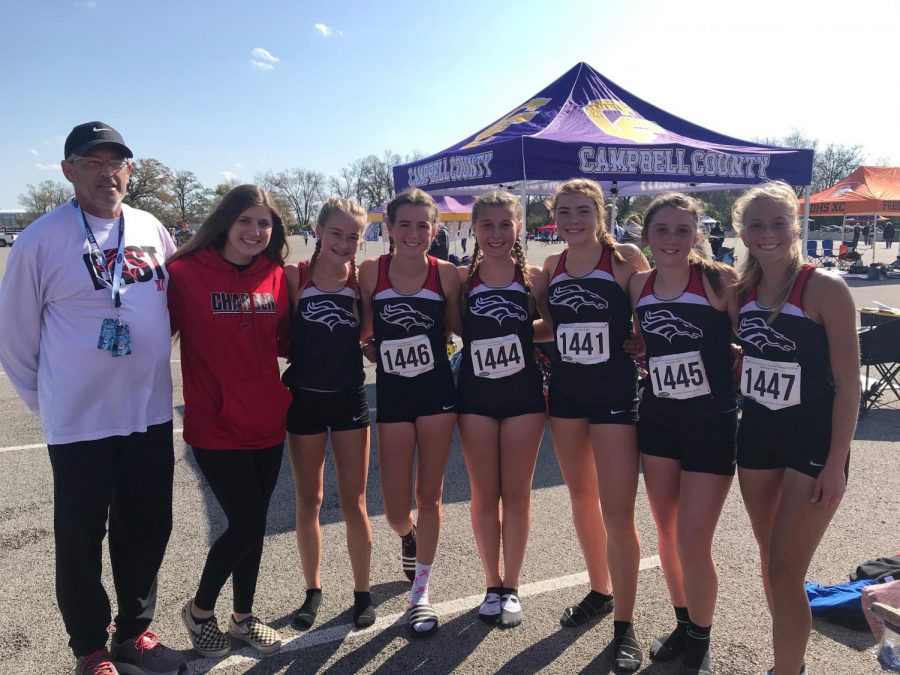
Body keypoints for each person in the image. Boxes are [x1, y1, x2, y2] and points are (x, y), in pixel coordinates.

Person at [0, 122, 186, 675]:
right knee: (81, 536)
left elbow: (172, 306)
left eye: (118, 163)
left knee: (149, 524)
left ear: (130, 170)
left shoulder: (151, 228)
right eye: (94, 162)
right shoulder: (41, 238)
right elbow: (14, 338)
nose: (109, 173)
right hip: (78, 422)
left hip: (148, 412)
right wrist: (51, 402)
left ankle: (135, 633)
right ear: (68, 170)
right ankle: (90, 648)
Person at [733, 181, 860, 675]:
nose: (768, 233)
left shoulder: (826, 287)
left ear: (795, 226)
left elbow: (848, 386)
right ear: (743, 233)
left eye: (778, 222)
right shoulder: (740, 291)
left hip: (813, 444)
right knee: (774, 565)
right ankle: (787, 659)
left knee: (786, 570)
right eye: (757, 225)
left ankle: (787, 669)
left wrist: (836, 463)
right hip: (759, 438)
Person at [167, 185, 291, 659]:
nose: (255, 231)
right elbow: (149, 332)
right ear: (225, 222)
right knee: (246, 520)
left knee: (253, 525)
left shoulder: (276, 275)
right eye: (246, 221)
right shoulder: (184, 273)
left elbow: (286, 340)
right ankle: (200, 613)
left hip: (266, 420)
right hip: (215, 424)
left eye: (264, 224)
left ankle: (242, 618)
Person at [542, 178, 650, 671]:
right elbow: (550, 325)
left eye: (582, 210)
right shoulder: (551, 266)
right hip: (566, 396)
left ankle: (625, 626)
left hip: (613, 397)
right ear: (554, 216)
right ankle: (599, 590)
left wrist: (642, 341)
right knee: (581, 498)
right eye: (564, 212)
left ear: (599, 213)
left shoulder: (625, 258)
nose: (573, 220)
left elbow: (652, 312)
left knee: (617, 511)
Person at [630, 194, 739, 675]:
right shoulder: (639, 284)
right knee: (669, 533)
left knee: (694, 540)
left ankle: (702, 636)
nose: (672, 239)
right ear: (647, 235)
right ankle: (683, 620)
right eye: (662, 230)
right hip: (658, 419)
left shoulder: (719, 280)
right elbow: (644, 342)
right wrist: (639, 349)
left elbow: (748, 338)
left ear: (697, 234)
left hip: (710, 423)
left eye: (682, 230)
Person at [358, 188, 462, 638]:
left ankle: (420, 591)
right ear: (390, 228)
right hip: (395, 396)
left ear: (434, 230)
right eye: (405, 224)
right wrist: (368, 346)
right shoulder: (370, 271)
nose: (414, 233)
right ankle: (408, 534)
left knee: (430, 495)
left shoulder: (447, 274)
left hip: (438, 393)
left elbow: (462, 327)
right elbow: (363, 329)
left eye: (424, 225)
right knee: (396, 506)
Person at [456, 191, 549, 629]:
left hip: (524, 398)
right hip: (475, 397)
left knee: (516, 495)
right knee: (483, 494)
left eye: (504, 224)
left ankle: (511, 586)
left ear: (518, 228)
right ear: (473, 229)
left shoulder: (533, 277)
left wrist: (518, 335)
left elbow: (551, 324)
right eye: (486, 225)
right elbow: (453, 326)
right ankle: (490, 584)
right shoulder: (460, 279)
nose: (495, 233)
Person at [282, 198, 375, 630]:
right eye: (336, 233)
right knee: (310, 501)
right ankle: (312, 591)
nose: (344, 242)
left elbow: (372, 334)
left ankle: (362, 592)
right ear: (318, 230)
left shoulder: (362, 282)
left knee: (354, 501)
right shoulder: (294, 277)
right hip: (304, 400)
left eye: (353, 235)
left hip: (349, 399)